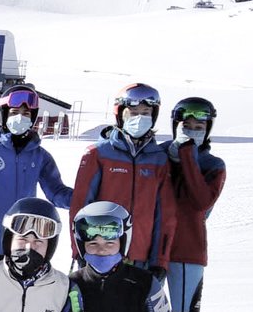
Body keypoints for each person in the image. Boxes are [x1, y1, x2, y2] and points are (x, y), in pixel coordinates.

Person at [71, 83, 177, 279]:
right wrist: (80, 251)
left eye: (146, 112)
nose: (139, 118)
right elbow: (80, 207)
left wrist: (159, 260)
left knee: (138, 309)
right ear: (120, 114)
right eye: (133, 112)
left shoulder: (159, 160)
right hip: (102, 254)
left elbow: (165, 216)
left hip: (141, 258)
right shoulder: (98, 154)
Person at [165, 97, 228, 312]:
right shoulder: (161, 155)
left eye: (198, 127)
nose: (191, 131)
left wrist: (187, 154)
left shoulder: (213, 165)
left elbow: (200, 201)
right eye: (185, 126)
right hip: (149, 249)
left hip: (187, 252)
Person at [0, 83, 73, 272]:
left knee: (19, 298)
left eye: (26, 114)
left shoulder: (39, 155)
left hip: (24, 242)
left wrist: (84, 199)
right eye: (15, 112)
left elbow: (56, 192)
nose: (20, 118)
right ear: (3, 114)